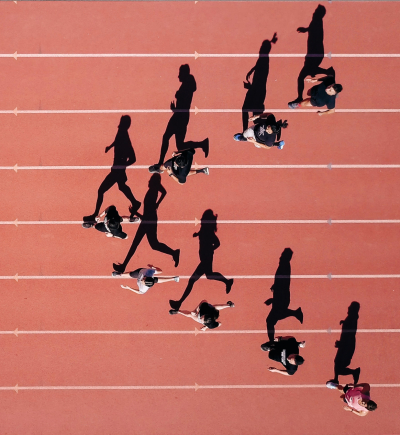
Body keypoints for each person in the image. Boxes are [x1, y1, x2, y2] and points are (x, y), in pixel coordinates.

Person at [113, 174, 180, 273]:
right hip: (149, 220)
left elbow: (146, 217)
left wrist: (134, 212)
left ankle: (174, 253)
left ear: (153, 182)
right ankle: (174, 253)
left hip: (149, 221)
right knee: (152, 244)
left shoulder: (152, 192)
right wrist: (158, 203)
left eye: (150, 180)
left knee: (140, 244)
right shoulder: (155, 189)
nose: (148, 181)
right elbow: (164, 192)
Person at [148, 64, 209, 173]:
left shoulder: (187, 85)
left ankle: (160, 164)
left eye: (180, 73)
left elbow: (184, 101)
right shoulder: (188, 84)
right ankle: (202, 144)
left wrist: (175, 108)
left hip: (179, 116)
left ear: (184, 73)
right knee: (179, 144)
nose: (178, 76)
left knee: (167, 137)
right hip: (181, 116)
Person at [169, 209, 233, 311]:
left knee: (192, 280)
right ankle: (227, 282)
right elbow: (202, 233)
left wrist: (209, 249)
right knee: (209, 275)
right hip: (204, 257)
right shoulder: (204, 229)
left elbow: (217, 243)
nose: (201, 220)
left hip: (206, 259)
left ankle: (179, 303)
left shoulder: (209, 232)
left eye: (203, 218)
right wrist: (197, 234)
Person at [83, 116, 141, 223]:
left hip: (117, 171)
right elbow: (117, 140)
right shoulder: (121, 132)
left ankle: (95, 215)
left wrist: (122, 166)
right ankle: (135, 202)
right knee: (122, 187)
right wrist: (110, 147)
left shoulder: (125, 136)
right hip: (117, 169)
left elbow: (133, 158)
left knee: (101, 190)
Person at [112, 264, 179, 295]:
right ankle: (119, 274)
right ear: (148, 277)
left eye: (143, 281)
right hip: (140, 272)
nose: (142, 279)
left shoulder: (144, 288)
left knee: (157, 280)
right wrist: (154, 267)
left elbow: (139, 292)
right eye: (144, 278)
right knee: (130, 274)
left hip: (147, 278)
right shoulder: (149, 272)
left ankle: (173, 279)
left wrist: (128, 288)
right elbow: (160, 271)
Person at [169, 300, 234, 331]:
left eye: (202, 319)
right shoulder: (205, 309)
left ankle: (178, 312)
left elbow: (220, 324)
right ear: (205, 315)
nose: (201, 317)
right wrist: (196, 310)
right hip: (210, 310)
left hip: (213, 315)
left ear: (206, 323)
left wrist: (205, 327)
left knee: (191, 315)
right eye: (202, 316)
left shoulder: (211, 325)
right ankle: (229, 305)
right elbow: (203, 301)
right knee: (214, 307)